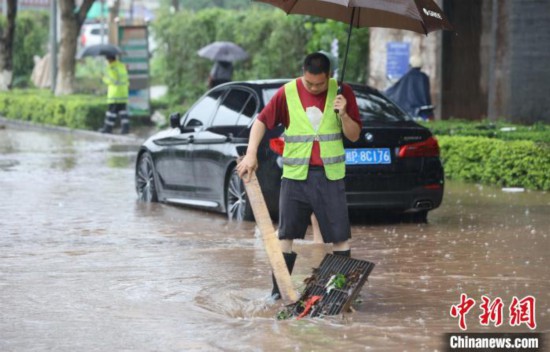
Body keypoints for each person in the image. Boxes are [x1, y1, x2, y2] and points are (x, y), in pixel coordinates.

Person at [236, 52, 362, 299]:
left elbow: (354, 135)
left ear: (329, 76)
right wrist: (251, 154)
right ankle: (278, 293)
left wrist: (344, 114)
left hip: (330, 176)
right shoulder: (287, 92)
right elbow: (261, 122)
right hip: (295, 177)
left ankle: (338, 294)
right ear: (303, 73)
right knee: (286, 235)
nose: (314, 88)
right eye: (309, 83)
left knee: (340, 236)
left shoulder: (342, 92)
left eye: (320, 84)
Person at [385, 54, 434, 120]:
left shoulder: (407, 77)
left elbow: (395, 90)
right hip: (423, 111)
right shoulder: (424, 77)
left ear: (410, 65)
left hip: (409, 111)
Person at [98, 54, 130, 134]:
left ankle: (107, 129)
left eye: (107, 60)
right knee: (123, 113)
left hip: (115, 95)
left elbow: (112, 81)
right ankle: (125, 129)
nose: (107, 62)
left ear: (110, 59)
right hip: (123, 94)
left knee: (111, 113)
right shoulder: (122, 66)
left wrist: (103, 78)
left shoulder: (111, 68)